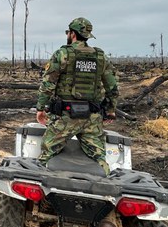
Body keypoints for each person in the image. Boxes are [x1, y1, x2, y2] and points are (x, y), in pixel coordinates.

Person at [35, 17, 119, 174]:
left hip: (65, 117)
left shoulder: (62, 54)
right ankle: (103, 187)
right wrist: (110, 110)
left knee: (46, 155)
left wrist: (40, 109)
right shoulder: (100, 57)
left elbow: (48, 85)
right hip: (92, 118)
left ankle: (40, 194)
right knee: (99, 158)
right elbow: (112, 87)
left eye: (68, 32)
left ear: (72, 34)